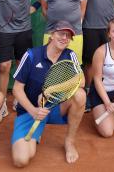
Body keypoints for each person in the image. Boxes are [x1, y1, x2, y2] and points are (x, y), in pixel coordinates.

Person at [11, 20, 86, 167]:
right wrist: (33, 111)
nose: (65, 38)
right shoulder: (31, 55)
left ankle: (69, 142)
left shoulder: (70, 55)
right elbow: (16, 89)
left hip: (57, 108)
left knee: (80, 95)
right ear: (52, 35)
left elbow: (81, 80)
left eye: (68, 36)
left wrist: (50, 91)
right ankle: (35, 134)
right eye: (61, 33)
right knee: (21, 160)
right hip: (31, 112)